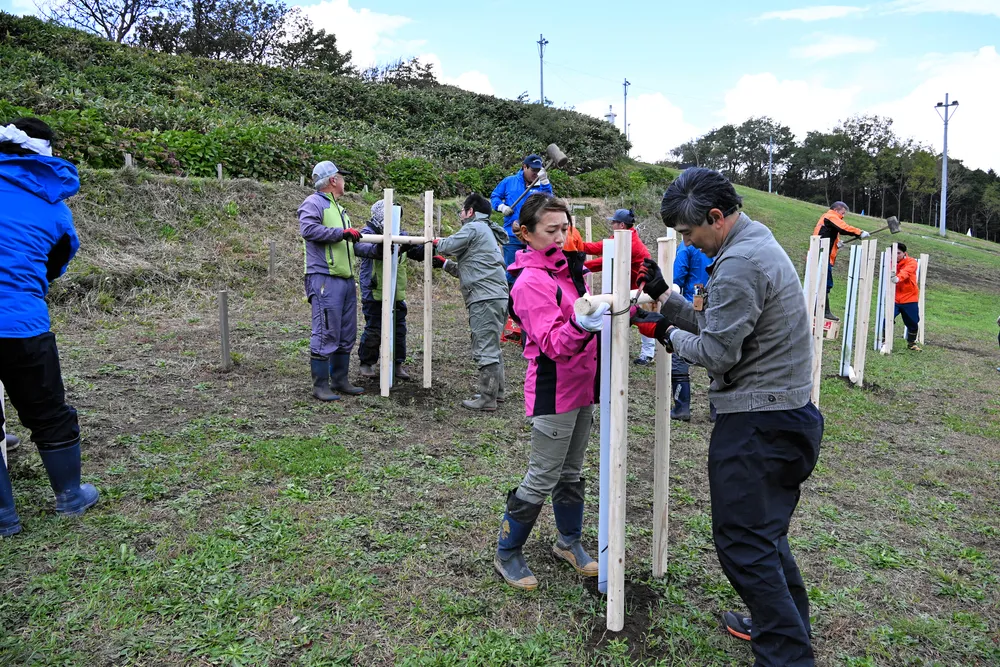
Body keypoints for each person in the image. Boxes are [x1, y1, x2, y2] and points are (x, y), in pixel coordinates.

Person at [633, 168, 823, 666]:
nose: (687, 241)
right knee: (764, 535)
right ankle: (783, 623)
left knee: (743, 543)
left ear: (716, 217)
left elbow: (716, 352)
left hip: (761, 425)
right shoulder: (753, 241)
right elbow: (727, 325)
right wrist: (668, 300)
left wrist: (662, 334)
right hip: (782, 416)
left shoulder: (740, 261)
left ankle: (785, 654)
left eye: (689, 232)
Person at [494, 193, 607, 590]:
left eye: (566, 228)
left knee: (572, 472)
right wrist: (585, 324)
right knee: (543, 474)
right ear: (525, 234)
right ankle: (507, 551)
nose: (561, 237)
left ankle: (568, 543)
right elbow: (554, 344)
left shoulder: (568, 272)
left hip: (583, 386)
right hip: (553, 389)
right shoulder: (530, 282)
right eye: (551, 230)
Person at [0, 117, 101, 536]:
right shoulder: (52, 205)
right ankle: (70, 495)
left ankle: (4, 517)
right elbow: (57, 262)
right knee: (48, 410)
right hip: (23, 320)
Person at [297, 160, 365, 401]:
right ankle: (320, 384)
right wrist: (341, 233)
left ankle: (340, 379)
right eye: (341, 177)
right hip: (324, 277)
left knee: (346, 331)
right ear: (333, 180)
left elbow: (349, 243)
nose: (344, 181)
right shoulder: (313, 203)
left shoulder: (339, 209)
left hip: (345, 279)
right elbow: (309, 230)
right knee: (326, 329)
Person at [434, 193, 509, 411]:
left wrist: (433, 244)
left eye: (462, 211)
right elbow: (473, 268)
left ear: (471, 212)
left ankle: (487, 397)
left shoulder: (474, 228)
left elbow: (446, 245)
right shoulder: (488, 232)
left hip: (484, 297)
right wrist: (445, 265)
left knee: (485, 345)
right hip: (495, 294)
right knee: (492, 344)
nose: (460, 216)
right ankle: (498, 392)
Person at [354, 200, 428, 381]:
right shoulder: (367, 233)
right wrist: (387, 245)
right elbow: (365, 248)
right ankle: (367, 362)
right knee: (375, 329)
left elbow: (415, 251)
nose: (396, 221)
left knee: (399, 329)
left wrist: (426, 248)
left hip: (396, 291)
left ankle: (397, 364)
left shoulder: (400, 234)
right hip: (375, 291)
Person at [581, 209, 655, 365]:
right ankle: (618, 347)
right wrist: (579, 246)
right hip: (629, 284)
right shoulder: (622, 237)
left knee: (644, 318)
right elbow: (600, 247)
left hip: (643, 285)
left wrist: (582, 267)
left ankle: (648, 353)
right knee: (625, 315)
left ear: (622, 225)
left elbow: (602, 261)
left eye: (613, 222)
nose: (611, 224)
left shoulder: (630, 243)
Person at [490, 154, 553, 287]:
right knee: (513, 271)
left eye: (538, 170)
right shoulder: (509, 182)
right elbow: (495, 196)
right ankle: (511, 303)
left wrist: (545, 183)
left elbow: (549, 201)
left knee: (535, 271)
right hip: (512, 234)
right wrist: (502, 207)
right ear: (524, 167)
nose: (535, 173)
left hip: (534, 235)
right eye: (533, 170)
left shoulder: (541, 184)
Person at [671, 239, 714, 422]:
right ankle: (717, 411)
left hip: (690, 304)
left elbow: (677, 278)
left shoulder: (687, 246)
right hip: (714, 306)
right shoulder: (720, 244)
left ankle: (681, 408)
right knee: (715, 357)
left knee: (680, 357)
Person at [812, 201, 868, 321]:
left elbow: (830, 235)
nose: (843, 216)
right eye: (842, 213)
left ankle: (819, 309)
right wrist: (860, 232)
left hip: (821, 255)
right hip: (821, 256)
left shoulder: (828, 220)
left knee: (823, 283)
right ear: (837, 210)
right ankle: (822, 310)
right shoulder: (831, 216)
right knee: (825, 283)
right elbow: (843, 227)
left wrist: (837, 244)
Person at [892, 243, 921, 351]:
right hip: (894, 297)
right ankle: (885, 340)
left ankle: (911, 343)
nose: (896, 256)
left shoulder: (911, 262)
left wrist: (898, 278)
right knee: (887, 318)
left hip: (909, 297)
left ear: (904, 253)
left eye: (898, 253)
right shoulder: (889, 262)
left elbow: (907, 271)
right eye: (894, 253)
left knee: (913, 322)